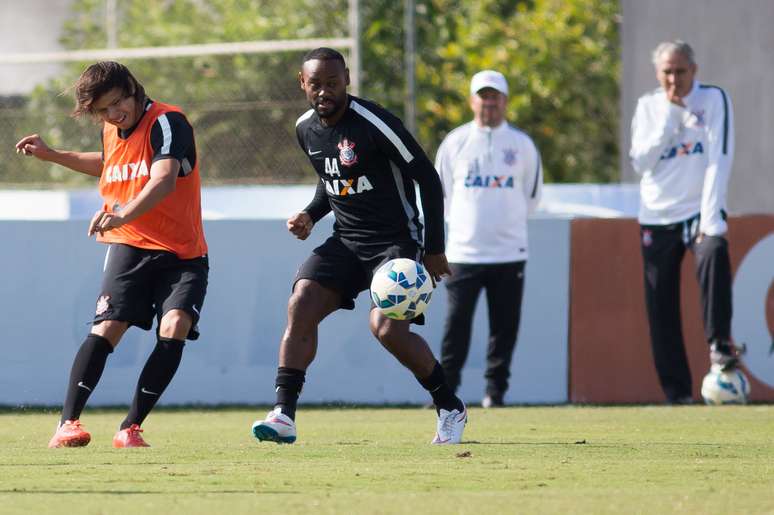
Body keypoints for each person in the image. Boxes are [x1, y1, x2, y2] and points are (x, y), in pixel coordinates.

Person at [251, 47, 466, 445]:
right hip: (346, 241)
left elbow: (428, 179)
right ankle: (283, 413)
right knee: (302, 302)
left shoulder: (374, 123)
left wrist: (434, 247)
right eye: (315, 84)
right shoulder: (304, 128)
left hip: (395, 242)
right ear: (302, 83)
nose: (324, 91)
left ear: (346, 79)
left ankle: (449, 405)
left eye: (332, 83)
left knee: (385, 329)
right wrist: (311, 215)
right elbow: (330, 179)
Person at [15, 61, 208, 447]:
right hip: (131, 245)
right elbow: (109, 165)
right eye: (103, 110)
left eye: (118, 103)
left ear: (133, 90)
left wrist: (120, 214)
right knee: (107, 328)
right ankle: (67, 424)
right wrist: (52, 155)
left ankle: (130, 428)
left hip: (183, 252)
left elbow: (164, 178)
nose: (114, 114)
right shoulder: (112, 129)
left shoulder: (168, 122)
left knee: (175, 327)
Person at [629, 40, 741, 403]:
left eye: (680, 71)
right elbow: (641, 163)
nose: (674, 79)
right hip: (657, 216)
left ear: (694, 70)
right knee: (660, 306)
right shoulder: (648, 107)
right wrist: (669, 119)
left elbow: (718, 159)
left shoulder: (713, 100)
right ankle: (677, 395)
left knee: (714, 249)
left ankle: (719, 345)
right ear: (657, 74)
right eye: (667, 72)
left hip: (699, 211)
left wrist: (711, 220)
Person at [434, 70, 542, 408]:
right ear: (472, 100)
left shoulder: (522, 145)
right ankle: (445, 392)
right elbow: (441, 195)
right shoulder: (455, 142)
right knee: (456, 327)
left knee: (504, 328)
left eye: (495, 96)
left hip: (510, 252)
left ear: (505, 101)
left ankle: (495, 394)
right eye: (483, 95)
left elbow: (533, 196)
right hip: (464, 253)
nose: (489, 102)